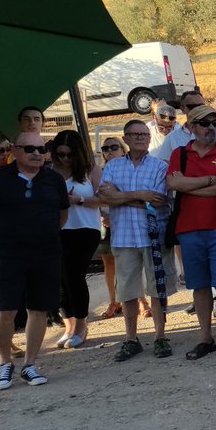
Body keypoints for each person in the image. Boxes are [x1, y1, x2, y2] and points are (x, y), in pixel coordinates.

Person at [166, 105, 216, 359]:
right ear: (191, 127)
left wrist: (190, 187)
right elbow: (173, 183)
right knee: (198, 285)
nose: (211, 127)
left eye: (214, 123)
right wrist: (211, 180)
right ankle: (205, 338)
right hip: (189, 228)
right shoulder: (180, 154)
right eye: (204, 123)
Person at [0, 133, 68, 389]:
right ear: (15, 150)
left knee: (38, 309)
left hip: (46, 254)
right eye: (30, 148)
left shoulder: (54, 179)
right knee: (5, 310)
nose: (37, 153)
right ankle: (4, 363)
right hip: (6, 254)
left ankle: (30, 364)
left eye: (42, 148)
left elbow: (62, 214)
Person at [98, 120, 176, 361]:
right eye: (135, 134)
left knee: (157, 288)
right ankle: (131, 339)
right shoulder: (112, 166)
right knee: (127, 292)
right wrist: (140, 195)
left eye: (144, 134)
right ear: (126, 138)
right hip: (124, 236)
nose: (141, 138)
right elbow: (104, 195)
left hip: (154, 236)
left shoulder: (160, 167)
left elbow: (159, 200)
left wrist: (120, 197)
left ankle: (160, 337)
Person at [49, 131, 105, 348]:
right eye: (60, 154)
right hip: (58, 229)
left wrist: (77, 199)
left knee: (74, 275)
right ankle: (69, 325)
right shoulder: (50, 172)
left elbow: (102, 199)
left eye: (69, 154)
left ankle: (81, 325)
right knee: (59, 278)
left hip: (84, 228)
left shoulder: (91, 170)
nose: (65, 159)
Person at [151, 90, 216, 161]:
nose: (197, 109)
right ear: (182, 109)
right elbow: (163, 165)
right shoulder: (172, 138)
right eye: (192, 106)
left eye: (200, 106)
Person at [95, 135, 125, 320]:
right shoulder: (99, 172)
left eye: (114, 147)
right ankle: (114, 301)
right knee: (109, 263)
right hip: (106, 221)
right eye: (105, 149)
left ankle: (140, 299)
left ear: (123, 149)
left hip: (126, 221)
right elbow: (93, 196)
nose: (109, 151)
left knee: (132, 263)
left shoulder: (130, 169)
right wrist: (102, 215)